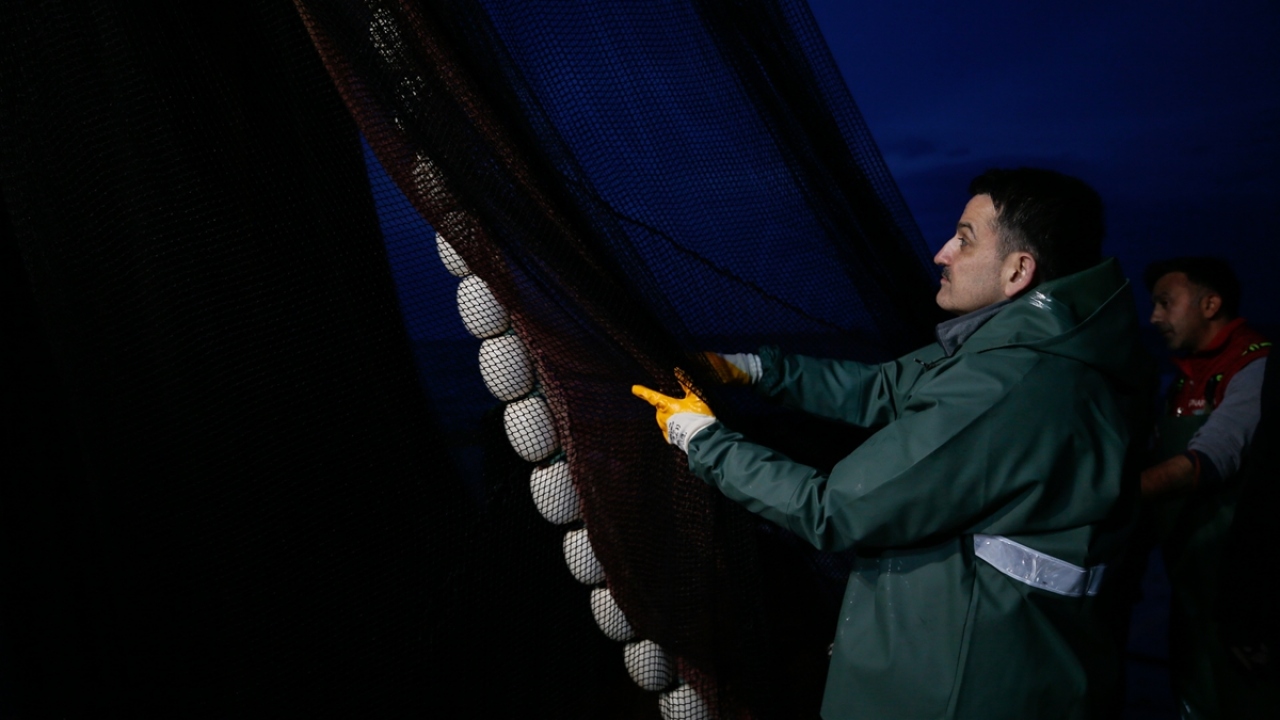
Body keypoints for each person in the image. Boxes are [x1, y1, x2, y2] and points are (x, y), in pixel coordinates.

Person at [633, 167, 1150, 719]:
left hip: (955, 689)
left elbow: (832, 510)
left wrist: (701, 439)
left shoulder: (1006, 383)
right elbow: (884, 387)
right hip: (1031, 669)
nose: (942, 254)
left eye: (965, 240)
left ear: (1018, 271)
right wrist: (755, 370)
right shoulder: (1051, 349)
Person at [1139, 257, 1271, 719]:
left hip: (1246, 593)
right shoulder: (1184, 378)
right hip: (1192, 591)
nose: (1154, 317)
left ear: (1210, 304)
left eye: (1165, 303)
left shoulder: (1257, 366)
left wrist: (1104, 496)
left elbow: (1213, 457)